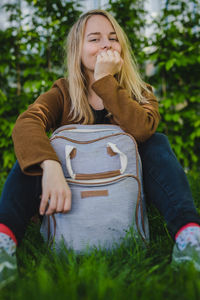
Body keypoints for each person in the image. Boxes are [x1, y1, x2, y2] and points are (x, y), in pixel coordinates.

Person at [0, 9, 200, 287]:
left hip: (123, 195)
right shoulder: (63, 92)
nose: (106, 44)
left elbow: (142, 129)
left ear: (122, 48)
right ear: (77, 51)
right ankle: (3, 243)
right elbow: (26, 122)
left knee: (156, 142)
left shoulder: (140, 92)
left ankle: (190, 238)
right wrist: (50, 165)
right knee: (36, 151)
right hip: (69, 192)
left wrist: (105, 81)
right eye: (94, 39)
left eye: (113, 38)